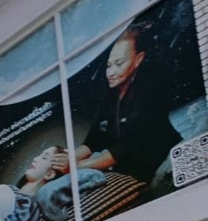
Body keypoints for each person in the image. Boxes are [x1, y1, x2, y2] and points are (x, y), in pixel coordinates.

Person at [56, 25, 179, 185]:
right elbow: (93, 141)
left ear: (138, 59)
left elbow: (123, 150)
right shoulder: (111, 94)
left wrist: (75, 166)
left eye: (119, 63)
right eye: (109, 65)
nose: (111, 72)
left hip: (165, 164)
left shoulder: (149, 91)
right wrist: (67, 160)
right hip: (135, 171)